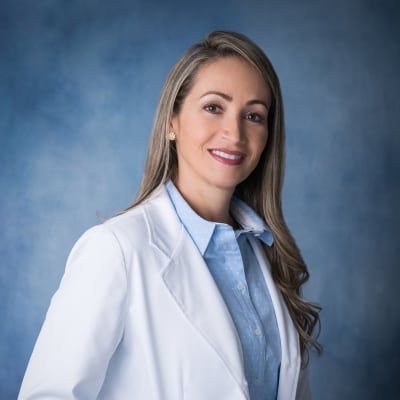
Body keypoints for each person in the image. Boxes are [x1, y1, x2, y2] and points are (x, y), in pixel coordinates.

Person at [18, 29, 323, 400]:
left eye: (254, 115)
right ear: (172, 122)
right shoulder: (115, 251)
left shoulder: (273, 259)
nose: (234, 132)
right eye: (214, 107)